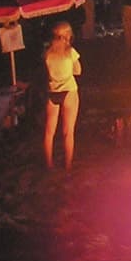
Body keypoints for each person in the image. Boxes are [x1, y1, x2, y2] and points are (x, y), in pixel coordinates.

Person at [42, 20, 82, 170]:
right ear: (67, 35)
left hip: (52, 92)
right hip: (69, 91)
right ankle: (68, 165)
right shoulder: (70, 52)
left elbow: (45, 72)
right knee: (68, 132)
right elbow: (78, 71)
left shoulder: (47, 53)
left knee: (49, 132)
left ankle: (49, 165)